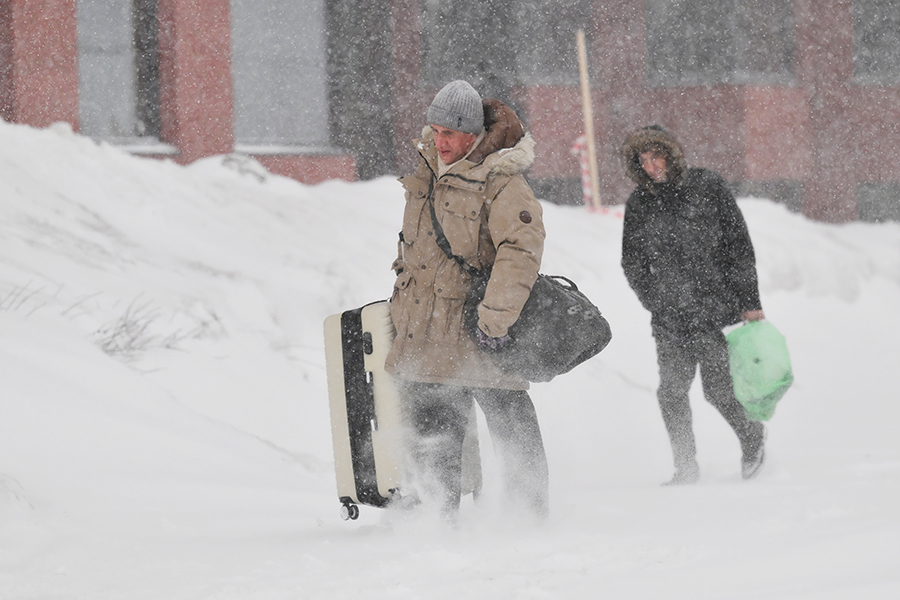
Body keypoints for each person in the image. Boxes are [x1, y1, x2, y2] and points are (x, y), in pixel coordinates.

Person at [384, 80, 549, 520]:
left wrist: (495, 320)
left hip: (479, 331)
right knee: (432, 433)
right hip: (426, 331)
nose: (440, 142)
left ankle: (529, 520)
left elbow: (521, 249)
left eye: (450, 134)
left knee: (510, 424)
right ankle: (438, 525)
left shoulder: (501, 181)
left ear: (473, 134)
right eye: (435, 131)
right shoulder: (427, 170)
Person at [620, 125, 767, 485]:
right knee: (671, 392)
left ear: (672, 156)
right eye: (644, 160)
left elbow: (738, 246)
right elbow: (632, 261)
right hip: (669, 317)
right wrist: (654, 300)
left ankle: (753, 438)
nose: (652, 166)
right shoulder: (640, 204)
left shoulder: (708, 187)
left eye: (657, 157)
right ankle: (685, 467)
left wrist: (749, 301)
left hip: (713, 311)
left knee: (718, 390)